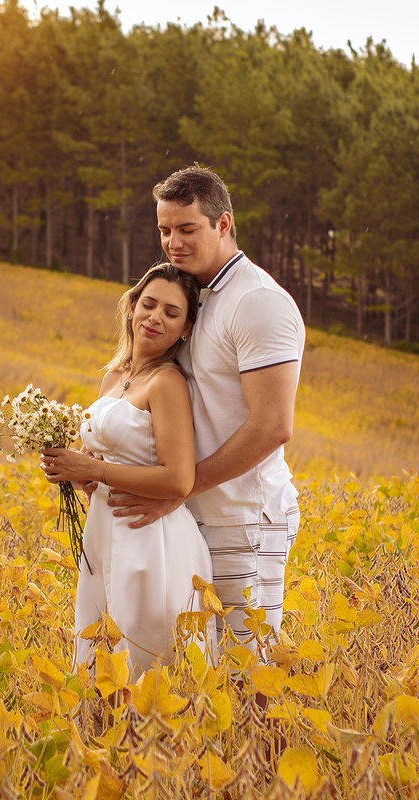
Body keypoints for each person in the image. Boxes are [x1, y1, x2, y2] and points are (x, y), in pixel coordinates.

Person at [109, 165, 305, 665]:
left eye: (187, 228)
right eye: (164, 230)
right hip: (190, 516)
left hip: (244, 517)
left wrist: (180, 488)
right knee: (199, 669)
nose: (172, 243)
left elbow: (272, 426)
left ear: (223, 224)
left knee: (248, 669)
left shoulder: (257, 301)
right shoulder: (192, 298)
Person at [42, 263, 214, 679]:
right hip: (103, 533)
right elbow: (101, 461)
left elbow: (178, 479)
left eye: (172, 313)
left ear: (186, 329)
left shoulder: (167, 383)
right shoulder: (114, 376)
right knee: (99, 659)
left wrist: (95, 471)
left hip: (150, 539)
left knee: (145, 662)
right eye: (149, 304)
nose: (155, 317)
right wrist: (75, 471)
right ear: (132, 306)